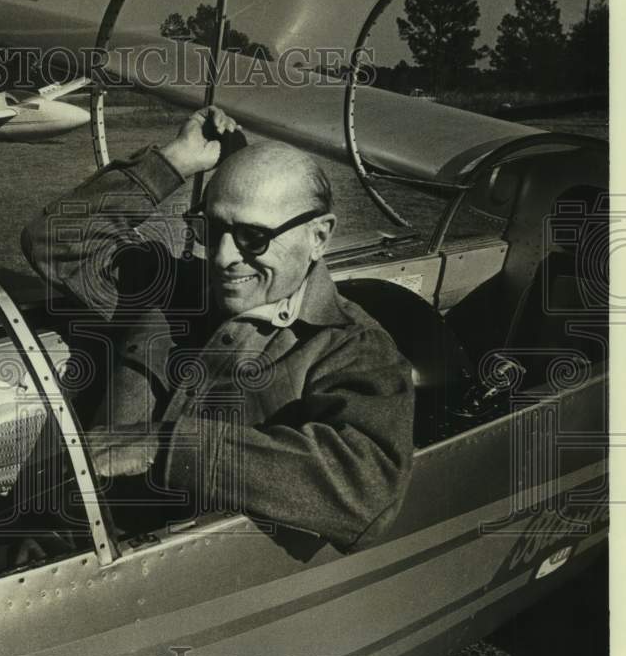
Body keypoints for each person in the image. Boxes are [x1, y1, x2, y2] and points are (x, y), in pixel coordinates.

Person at [21, 107, 414, 552]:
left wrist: (165, 446)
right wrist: (175, 162)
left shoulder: (350, 348)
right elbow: (56, 240)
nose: (224, 258)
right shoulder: (168, 289)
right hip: (54, 545)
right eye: (213, 229)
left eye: (253, 238)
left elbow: (365, 492)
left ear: (319, 237)